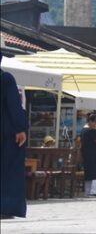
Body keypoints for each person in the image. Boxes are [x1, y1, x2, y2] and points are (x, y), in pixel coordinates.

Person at [1, 63, 27, 219]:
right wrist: (20, 128)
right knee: (8, 170)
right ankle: (5, 206)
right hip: (5, 133)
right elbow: (13, 104)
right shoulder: (5, 78)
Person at [81, 113, 96, 196]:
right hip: (95, 153)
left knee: (88, 172)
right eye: (95, 122)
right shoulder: (92, 131)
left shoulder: (83, 130)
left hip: (86, 154)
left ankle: (87, 191)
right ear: (90, 121)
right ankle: (94, 190)